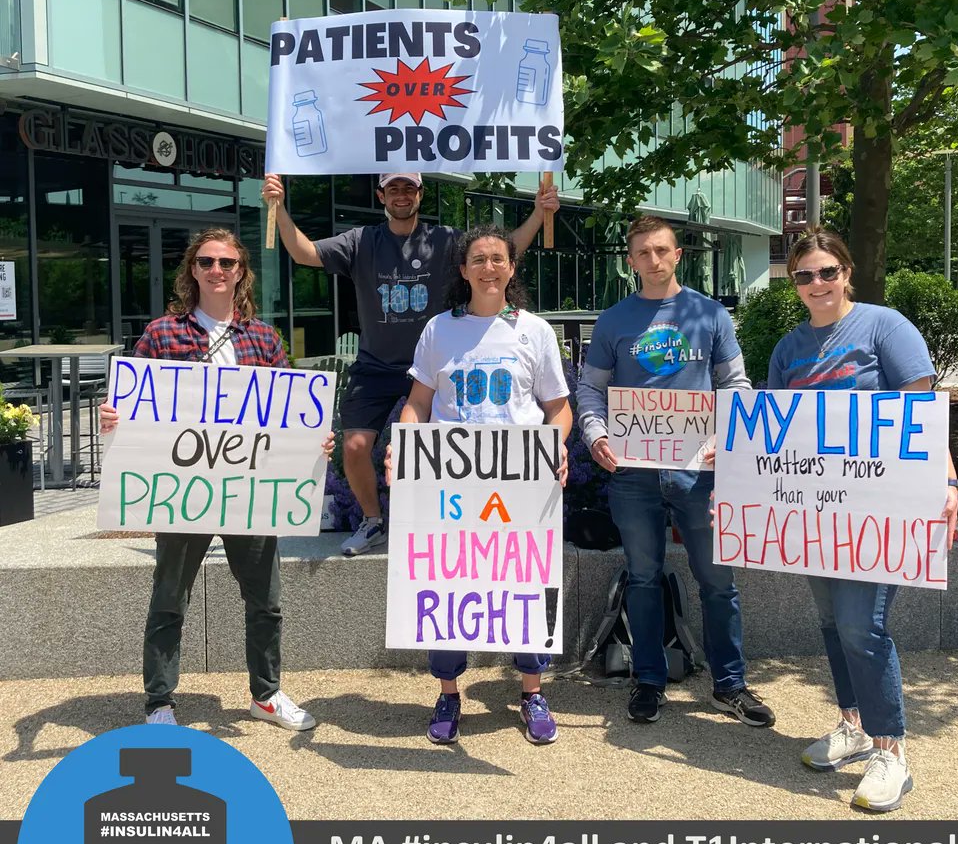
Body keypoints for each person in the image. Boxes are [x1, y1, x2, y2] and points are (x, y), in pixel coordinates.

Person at [99, 228, 334, 730]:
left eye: (227, 263)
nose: (217, 270)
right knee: (170, 599)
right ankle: (159, 703)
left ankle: (266, 695)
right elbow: (133, 400)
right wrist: (113, 416)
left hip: (249, 490)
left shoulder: (264, 339)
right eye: (206, 261)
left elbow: (290, 413)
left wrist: (315, 441)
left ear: (241, 271)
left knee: (266, 601)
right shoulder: (162, 334)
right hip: (185, 491)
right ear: (193, 270)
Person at [262, 171, 560, 556]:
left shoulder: (444, 240)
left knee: (448, 447)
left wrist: (538, 213)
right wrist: (279, 207)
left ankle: (432, 521)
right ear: (381, 195)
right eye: (393, 189)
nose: (401, 195)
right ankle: (373, 521)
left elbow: (500, 254)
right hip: (376, 365)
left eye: (409, 188)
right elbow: (304, 253)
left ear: (421, 194)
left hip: (437, 364)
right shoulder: (361, 241)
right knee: (354, 445)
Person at [768, 227, 958, 812]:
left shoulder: (884, 327)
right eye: (804, 275)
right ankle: (852, 725)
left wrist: (948, 481)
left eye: (828, 271)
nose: (817, 283)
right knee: (832, 622)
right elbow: (772, 431)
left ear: (846, 273)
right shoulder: (788, 348)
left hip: (880, 510)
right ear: (794, 283)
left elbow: (922, 413)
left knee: (861, 627)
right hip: (815, 512)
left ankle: (890, 752)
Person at [576, 215, 774, 728]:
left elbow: (736, 384)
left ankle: (730, 684)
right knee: (642, 578)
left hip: (699, 472)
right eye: (643, 252)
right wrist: (596, 433)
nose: (654, 259)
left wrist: (726, 433)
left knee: (718, 580)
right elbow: (591, 387)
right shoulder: (614, 320)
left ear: (678, 254)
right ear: (630, 261)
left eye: (662, 250)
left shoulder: (710, 314)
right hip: (633, 472)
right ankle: (649, 680)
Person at [385, 225, 572, 745]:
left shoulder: (535, 331)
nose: (489, 267)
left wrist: (556, 445)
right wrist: (403, 445)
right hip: (450, 484)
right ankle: (448, 693)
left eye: (498, 259)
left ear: (512, 268)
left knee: (526, 585)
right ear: (463, 270)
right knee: (447, 586)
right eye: (478, 259)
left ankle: (532, 692)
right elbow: (418, 403)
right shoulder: (439, 330)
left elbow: (559, 409)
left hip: (520, 486)